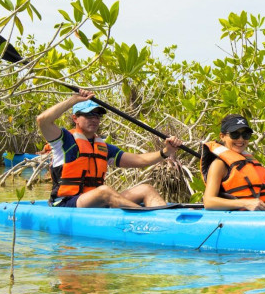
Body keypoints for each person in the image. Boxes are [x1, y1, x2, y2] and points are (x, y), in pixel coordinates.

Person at [37, 89, 183, 208]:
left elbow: (140, 160)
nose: (94, 119)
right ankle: (145, 218)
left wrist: (166, 152)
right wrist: (73, 100)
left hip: (96, 202)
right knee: (105, 192)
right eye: (89, 115)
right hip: (66, 204)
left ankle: (166, 220)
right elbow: (43, 120)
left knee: (146, 189)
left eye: (98, 116)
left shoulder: (104, 148)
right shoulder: (64, 141)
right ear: (75, 118)